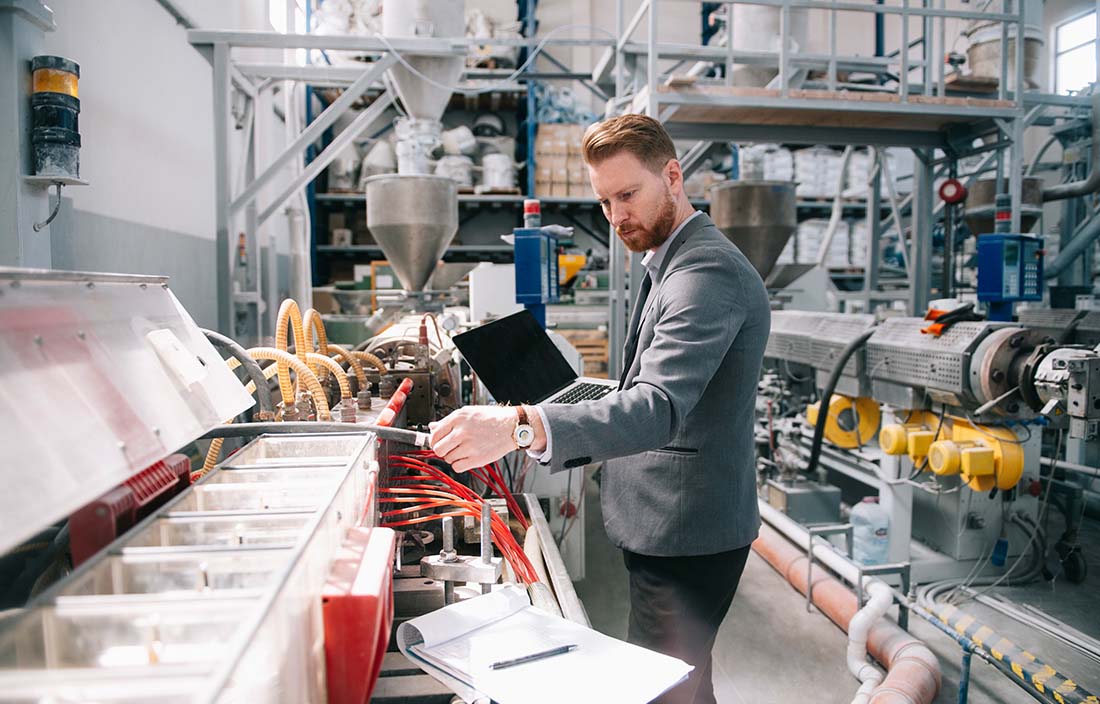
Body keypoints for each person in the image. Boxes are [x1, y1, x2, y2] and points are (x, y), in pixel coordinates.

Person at [429, 114, 770, 704]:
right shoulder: (673, 259)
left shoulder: (704, 271)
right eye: (605, 201)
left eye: (628, 195)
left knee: (660, 691)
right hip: (677, 522)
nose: (616, 218)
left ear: (672, 174)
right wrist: (590, 402)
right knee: (687, 684)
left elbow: (659, 408)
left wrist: (520, 425)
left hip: (685, 531)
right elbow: (661, 386)